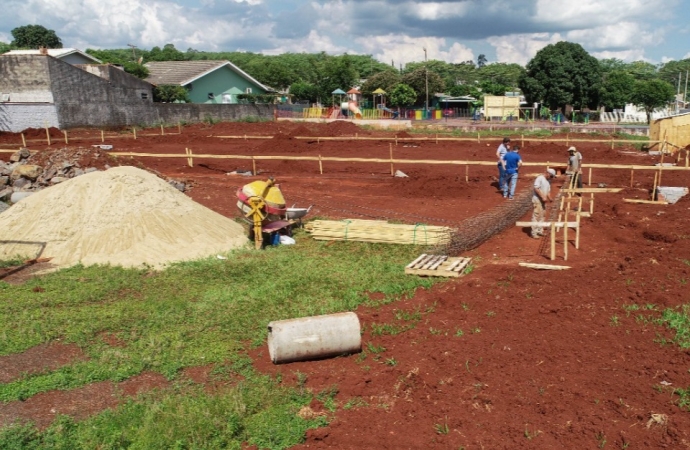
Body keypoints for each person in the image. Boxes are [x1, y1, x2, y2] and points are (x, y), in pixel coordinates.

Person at [531, 168, 557, 238]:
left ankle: (540, 230)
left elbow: (548, 191)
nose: (552, 178)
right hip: (537, 200)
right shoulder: (540, 178)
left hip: (543, 200)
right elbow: (536, 188)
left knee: (542, 215)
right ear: (547, 173)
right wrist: (542, 197)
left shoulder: (548, 181)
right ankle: (534, 232)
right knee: (536, 215)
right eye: (551, 176)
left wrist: (550, 198)